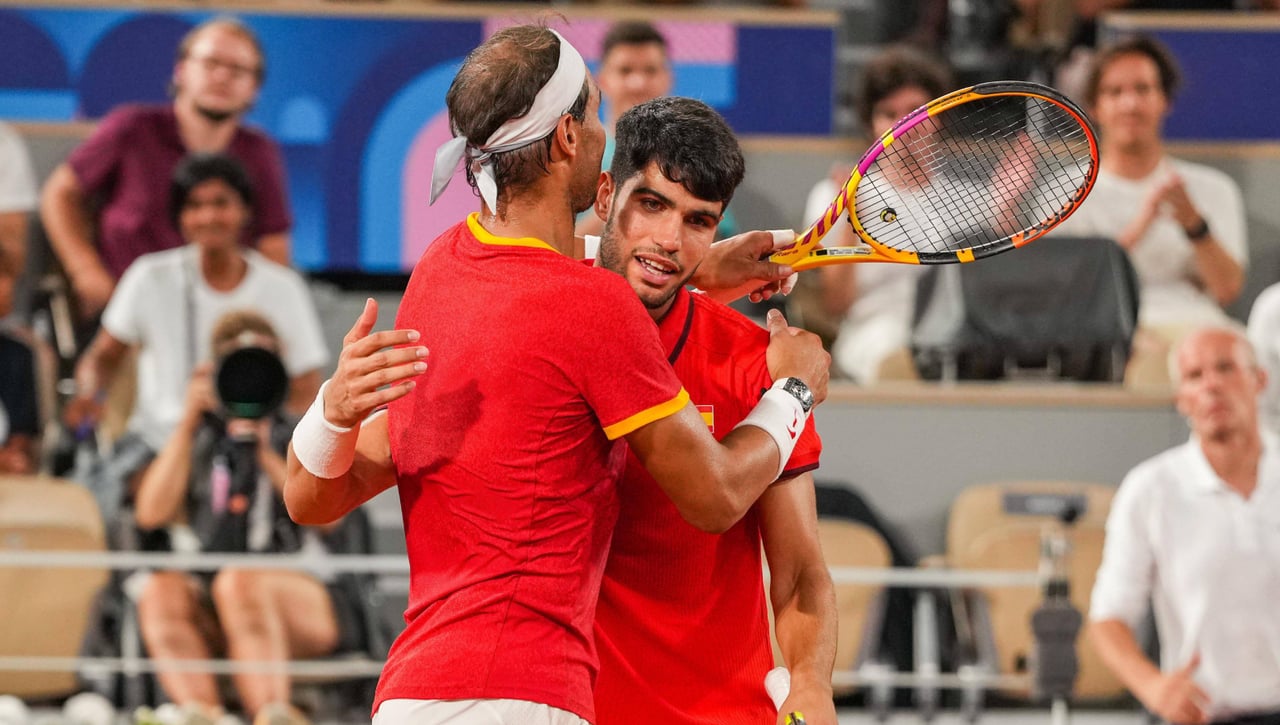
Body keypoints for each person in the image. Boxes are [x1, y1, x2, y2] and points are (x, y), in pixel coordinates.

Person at [283, 24, 829, 725]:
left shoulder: (442, 268)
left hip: (414, 689)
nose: (669, 235)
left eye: (696, 220)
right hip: (524, 694)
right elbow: (716, 495)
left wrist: (332, 408)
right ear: (574, 147)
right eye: (596, 112)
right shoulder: (596, 308)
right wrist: (795, 389)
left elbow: (308, 496)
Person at [585, 97, 838, 725]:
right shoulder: (549, 331)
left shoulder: (759, 364)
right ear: (604, 195)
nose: (670, 240)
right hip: (572, 709)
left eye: (699, 221)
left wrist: (810, 682)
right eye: (652, 205)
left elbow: (801, 569)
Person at [132, 310, 354, 725]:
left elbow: (328, 519)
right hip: (212, 594)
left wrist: (268, 450)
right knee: (159, 589)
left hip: (301, 595)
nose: (249, 381)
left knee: (239, 579)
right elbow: (150, 513)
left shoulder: (302, 433)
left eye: (261, 367)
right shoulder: (199, 439)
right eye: (237, 368)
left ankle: (273, 714)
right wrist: (187, 423)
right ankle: (201, 714)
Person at [67, 153, 324, 509]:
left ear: (245, 211)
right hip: (162, 442)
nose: (208, 217)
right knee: (128, 502)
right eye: (195, 205)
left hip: (254, 439)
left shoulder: (282, 287)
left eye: (221, 203)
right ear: (179, 216)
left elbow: (306, 387)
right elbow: (103, 357)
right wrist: (88, 394)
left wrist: (269, 432)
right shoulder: (149, 276)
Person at [40, 16, 292, 322]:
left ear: (255, 87)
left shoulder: (259, 151)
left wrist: (268, 313)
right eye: (211, 63)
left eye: (238, 69)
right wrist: (85, 270)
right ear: (181, 69)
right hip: (124, 314)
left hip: (220, 320)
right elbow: (60, 192)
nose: (223, 77)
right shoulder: (131, 128)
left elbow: (273, 243)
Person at [1089, 324, 1280, 725]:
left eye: (1226, 368)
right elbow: (1109, 617)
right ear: (1181, 399)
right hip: (1199, 714)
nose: (1212, 385)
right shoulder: (1151, 490)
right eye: (1195, 376)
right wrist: (1153, 687)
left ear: (1259, 380)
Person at [1050, 35, 1246, 382]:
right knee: (1144, 364)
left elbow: (1226, 290)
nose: (1130, 104)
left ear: (1165, 101)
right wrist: (1140, 226)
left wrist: (1194, 224)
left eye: (1143, 90)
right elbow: (1066, 294)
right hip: (1103, 331)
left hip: (1193, 325)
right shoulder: (1063, 191)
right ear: (1095, 106)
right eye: (1115, 92)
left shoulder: (1212, 188)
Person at [793, 46, 952, 383]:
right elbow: (836, 303)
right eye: (889, 114)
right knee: (896, 365)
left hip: (949, 344)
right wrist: (850, 216)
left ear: (940, 116)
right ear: (870, 125)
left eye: (916, 110)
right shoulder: (830, 197)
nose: (905, 125)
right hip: (871, 341)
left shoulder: (962, 196)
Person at [575, 21, 672, 239]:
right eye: (625, 70)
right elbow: (556, 247)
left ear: (667, 78)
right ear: (603, 80)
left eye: (650, 70)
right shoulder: (572, 155)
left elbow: (715, 236)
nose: (638, 83)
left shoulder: (692, 155)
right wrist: (623, 196)